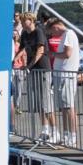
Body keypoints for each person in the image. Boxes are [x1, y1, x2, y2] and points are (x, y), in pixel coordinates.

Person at [18, 12, 57, 142]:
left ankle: (54, 130)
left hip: (42, 69)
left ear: (31, 20)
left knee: (46, 101)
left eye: (24, 21)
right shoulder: (24, 34)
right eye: (22, 21)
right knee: (38, 103)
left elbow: (40, 51)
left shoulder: (38, 32)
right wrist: (13, 61)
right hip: (33, 70)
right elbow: (21, 49)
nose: (22, 23)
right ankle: (45, 129)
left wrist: (29, 65)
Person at [48, 18, 80, 147]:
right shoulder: (66, 35)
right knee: (65, 107)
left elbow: (67, 54)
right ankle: (67, 134)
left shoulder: (69, 34)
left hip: (67, 75)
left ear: (56, 26)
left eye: (51, 31)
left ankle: (72, 135)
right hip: (62, 75)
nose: (52, 34)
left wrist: (52, 54)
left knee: (69, 107)